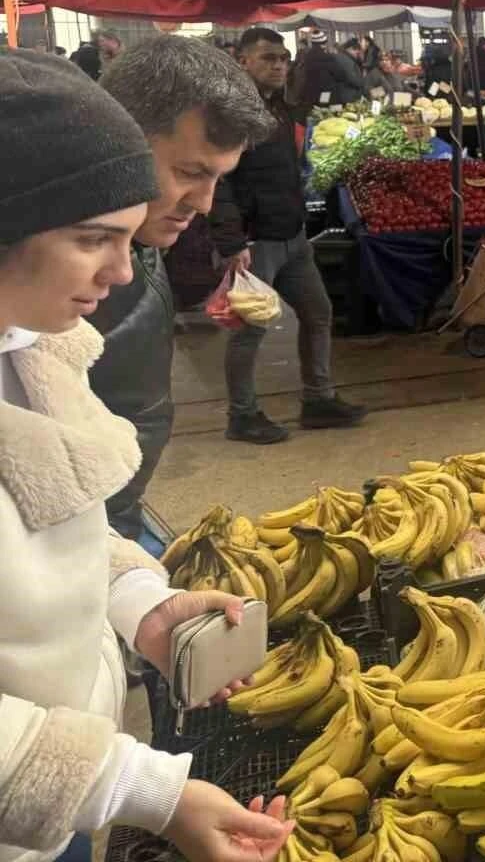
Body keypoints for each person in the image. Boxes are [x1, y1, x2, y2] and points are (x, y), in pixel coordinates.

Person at [0, 48, 294, 862]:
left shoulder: (35, 351)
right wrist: (146, 793)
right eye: (95, 236)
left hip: (46, 811)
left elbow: (58, 521)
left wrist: (138, 602)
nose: (125, 270)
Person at [92, 36, 276, 539]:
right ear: (117, 135)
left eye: (218, 178)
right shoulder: (36, 266)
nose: (204, 203)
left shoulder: (144, 243)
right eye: (189, 172)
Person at [210, 27, 366, 444]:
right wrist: (231, 242)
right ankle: (241, 415)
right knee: (250, 329)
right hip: (254, 241)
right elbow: (218, 181)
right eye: (268, 58)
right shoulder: (231, 116)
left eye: (282, 58)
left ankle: (318, 400)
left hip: (293, 236)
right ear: (243, 61)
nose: (279, 65)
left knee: (318, 312)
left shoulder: (283, 109)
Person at [295, 29, 364, 107]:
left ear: (312, 43)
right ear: (324, 43)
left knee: (316, 115)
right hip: (326, 94)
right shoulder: (328, 58)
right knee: (327, 113)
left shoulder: (306, 57)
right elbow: (340, 75)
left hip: (311, 94)